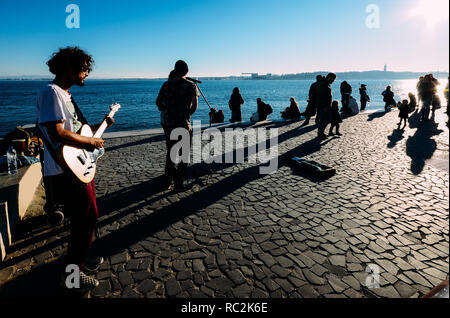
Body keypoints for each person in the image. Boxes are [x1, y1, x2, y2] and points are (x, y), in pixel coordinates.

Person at [36, 47, 114, 291]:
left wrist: (102, 125)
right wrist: (91, 141)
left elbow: (76, 129)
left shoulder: (65, 94)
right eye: (84, 68)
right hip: (64, 171)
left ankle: (78, 261)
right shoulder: (51, 92)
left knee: (83, 219)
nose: (87, 73)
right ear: (70, 68)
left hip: (77, 167)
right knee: (88, 216)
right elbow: (57, 132)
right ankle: (72, 277)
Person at [156, 60, 199, 190]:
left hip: (169, 124)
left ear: (175, 70)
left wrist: (167, 110)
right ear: (187, 71)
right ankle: (179, 182)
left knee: (171, 152)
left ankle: (168, 180)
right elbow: (195, 106)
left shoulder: (166, 85)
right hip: (183, 123)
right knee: (183, 154)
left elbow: (158, 102)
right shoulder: (191, 86)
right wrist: (187, 114)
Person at [317, 73, 337, 139]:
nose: (333, 81)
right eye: (333, 79)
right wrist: (325, 106)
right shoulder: (324, 84)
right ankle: (320, 133)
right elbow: (322, 96)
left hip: (323, 105)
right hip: (324, 106)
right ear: (329, 78)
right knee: (327, 119)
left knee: (323, 119)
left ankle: (320, 133)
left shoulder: (324, 83)